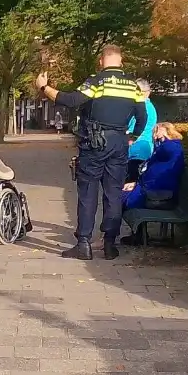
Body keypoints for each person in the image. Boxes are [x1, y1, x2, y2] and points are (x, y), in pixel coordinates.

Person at [34, 44, 149, 261]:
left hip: (95, 142)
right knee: (113, 193)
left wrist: (44, 88)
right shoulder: (133, 86)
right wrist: (131, 136)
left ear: (101, 61)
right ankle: (109, 245)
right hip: (119, 143)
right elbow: (141, 117)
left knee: (88, 192)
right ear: (121, 62)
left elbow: (70, 101)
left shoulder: (96, 81)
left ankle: (84, 244)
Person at [123, 122, 185, 209]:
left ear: (164, 130)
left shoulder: (171, 147)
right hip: (150, 189)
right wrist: (135, 184)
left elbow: (159, 175)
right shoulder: (164, 148)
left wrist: (160, 140)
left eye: (156, 130)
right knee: (116, 197)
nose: (153, 134)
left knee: (117, 199)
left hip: (157, 194)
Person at [126, 79, 158, 184]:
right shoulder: (150, 107)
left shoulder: (142, 108)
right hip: (143, 149)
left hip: (137, 151)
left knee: (129, 186)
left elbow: (132, 130)